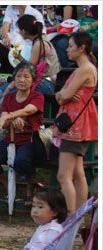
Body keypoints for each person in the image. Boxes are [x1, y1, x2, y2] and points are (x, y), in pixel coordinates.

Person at [54, 32, 98, 215]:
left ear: (82, 48)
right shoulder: (86, 69)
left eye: (71, 46)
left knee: (64, 175)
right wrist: (63, 95)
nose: (67, 49)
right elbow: (61, 96)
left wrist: (63, 94)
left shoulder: (84, 70)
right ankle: (78, 215)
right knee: (78, 174)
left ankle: (70, 216)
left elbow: (62, 96)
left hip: (75, 126)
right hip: (79, 124)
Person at [0, 62, 44, 206]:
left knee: (21, 161)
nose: (21, 80)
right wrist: (10, 119)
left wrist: (9, 116)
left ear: (33, 80)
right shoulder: (8, 98)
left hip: (29, 139)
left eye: (26, 76)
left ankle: (30, 184)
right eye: (18, 76)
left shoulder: (37, 96)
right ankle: (6, 184)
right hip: (10, 139)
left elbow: (28, 110)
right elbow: (4, 123)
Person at [0, 14, 61, 97]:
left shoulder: (38, 44)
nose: (19, 32)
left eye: (20, 30)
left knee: (1, 94)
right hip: (44, 82)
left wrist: (11, 86)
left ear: (24, 31)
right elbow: (31, 66)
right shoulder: (40, 40)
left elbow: (29, 69)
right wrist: (20, 58)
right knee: (0, 93)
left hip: (45, 84)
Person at [0, 5, 45, 73]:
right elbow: (5, 26)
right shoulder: (10, 8)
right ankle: (15, 74)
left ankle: (17, 74)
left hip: (29, 46)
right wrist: (6, 38)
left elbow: (42, 35)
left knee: (26, 63)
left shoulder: (35, 13)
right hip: (16, 43)